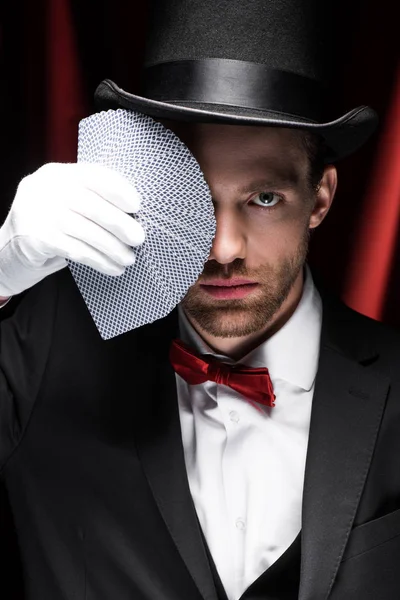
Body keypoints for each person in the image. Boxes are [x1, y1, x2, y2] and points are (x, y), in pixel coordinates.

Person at [1, 1, 400, 599]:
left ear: (320, 198)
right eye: (194, 197)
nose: (222, 247)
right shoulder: (45, 347)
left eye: (263, 198)